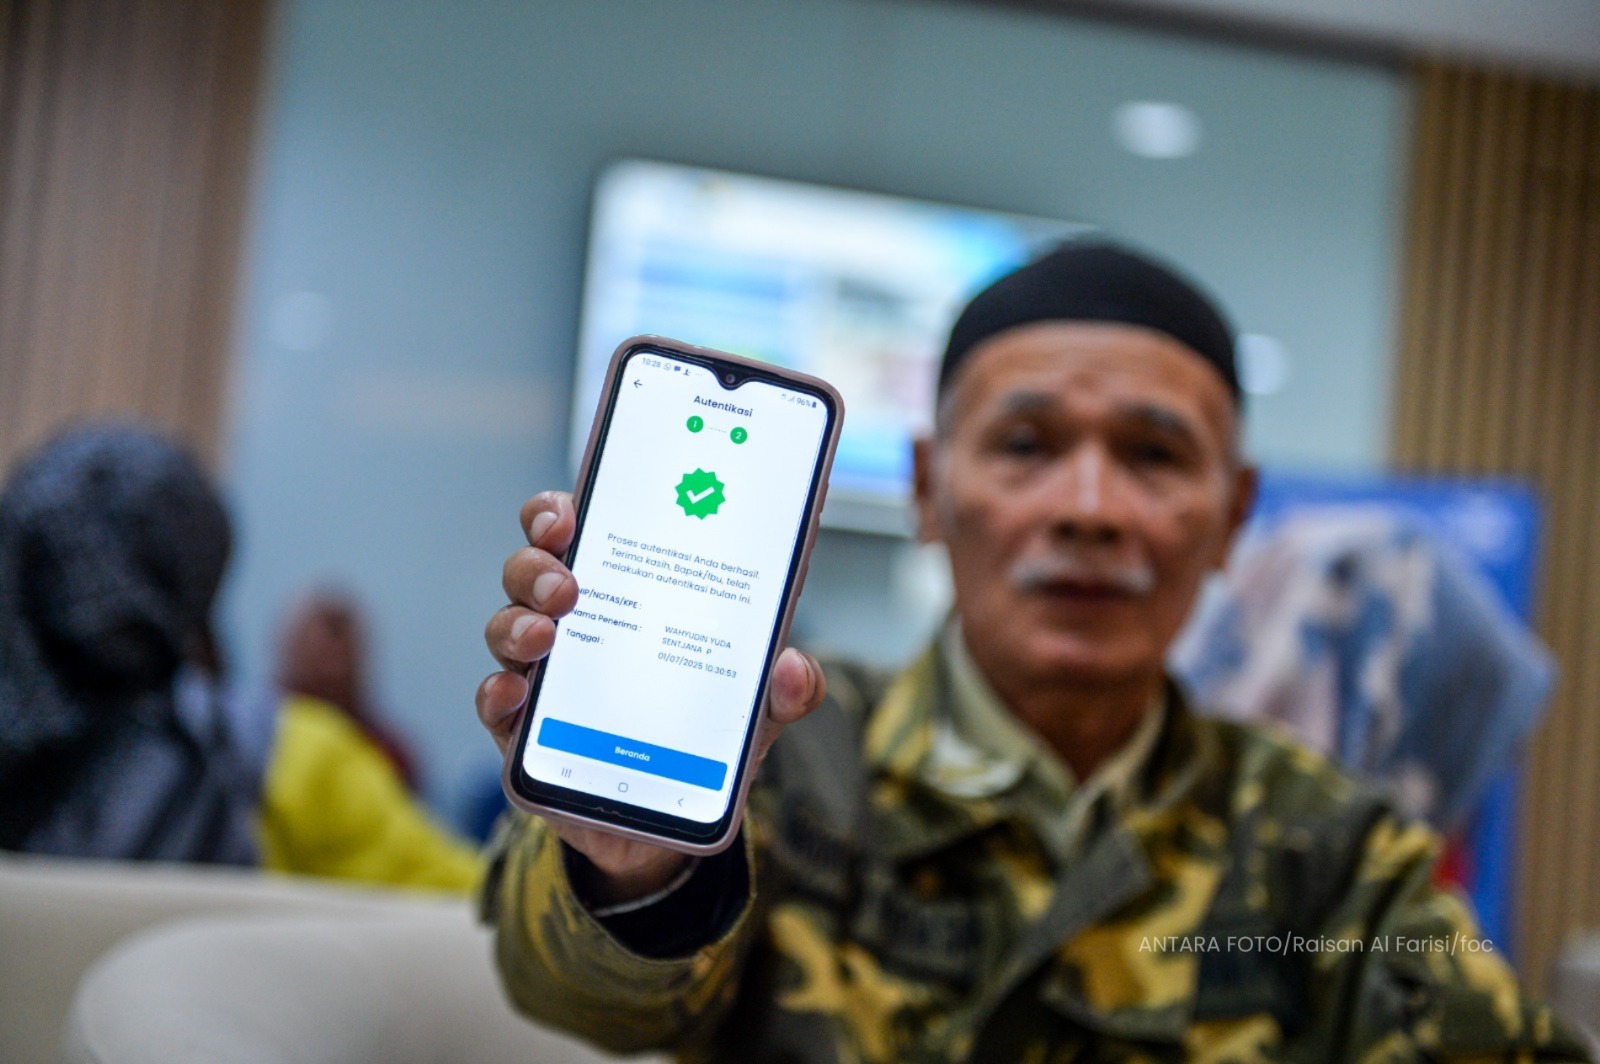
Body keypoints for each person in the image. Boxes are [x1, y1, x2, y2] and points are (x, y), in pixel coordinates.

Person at [473, 244, 1590, 1058]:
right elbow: (582, 998)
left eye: (1154, 455)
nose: (1089, 507)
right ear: (928, 489)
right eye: (1025, 444)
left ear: (1233, 514)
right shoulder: (780, 759)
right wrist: (635, 867)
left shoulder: (1330, 850)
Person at [0, 424, 481, 893]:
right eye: (315, 635)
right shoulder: (285, 756)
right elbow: (477, 905)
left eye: (343, 637)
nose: (330, 655)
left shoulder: (360, 749)